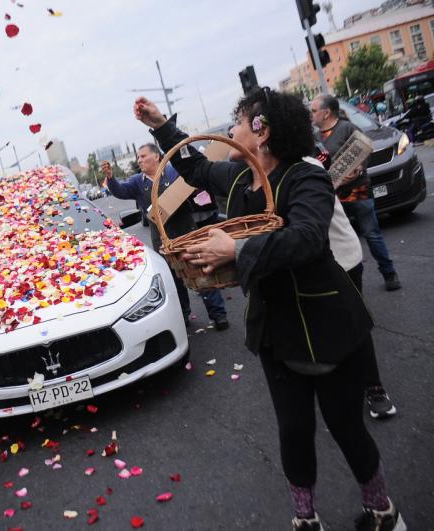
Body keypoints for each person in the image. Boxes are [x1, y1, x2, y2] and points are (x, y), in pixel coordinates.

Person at [135, 88, 404, 530]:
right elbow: (196, 168)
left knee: (346, 426)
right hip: (276, 330)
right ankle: (305, 518)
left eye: (238, 122)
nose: (230, 131)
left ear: (262, 132)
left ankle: (383, 511)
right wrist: (162, 125)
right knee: (293, 430)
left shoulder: (306, 177)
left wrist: (237, 249)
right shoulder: (240, 178)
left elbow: (308, 238)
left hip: (329, 324)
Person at [101, 145, 229, 330]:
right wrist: (111, 178)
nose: (139, 160)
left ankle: (218, 314)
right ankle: (184, 314)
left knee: (200, 272)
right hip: (162, 239)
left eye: (143, 156)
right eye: (138, 157)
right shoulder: (137, 181)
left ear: (156, 156)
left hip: (186, 231)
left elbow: (194, 185)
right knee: (174, 280)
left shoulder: (174, 172)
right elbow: (120, 191)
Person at [313, 146, 398, 420]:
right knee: (325, 329)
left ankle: (374, 388)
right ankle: (342, 387)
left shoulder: (307, 162)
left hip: (341, 259)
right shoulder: (256, 174)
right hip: (306, 266)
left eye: (241, 126)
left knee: (354, 324)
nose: (233, 132)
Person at [311, 95, 401, 291]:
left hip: (357, 191)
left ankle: (389, 273)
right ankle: (345, 284)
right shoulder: (315, 137)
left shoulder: (347, 128)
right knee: (337, 240)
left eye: (314, 110)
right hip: (333, 196)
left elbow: (365, 148)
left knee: (372, 234)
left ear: (326, 113)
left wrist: (359, 168)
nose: (312, 114)